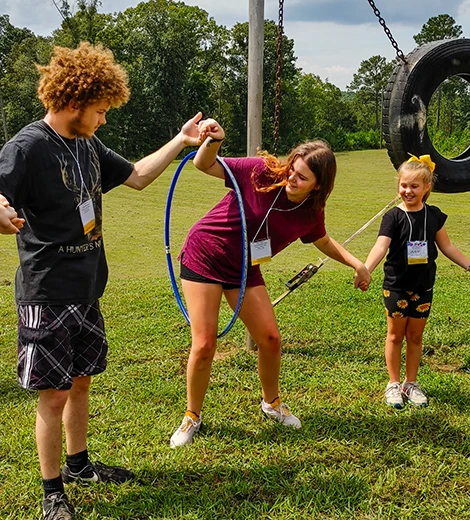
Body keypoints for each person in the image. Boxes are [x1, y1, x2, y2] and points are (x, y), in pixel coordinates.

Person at [0, 42, 206, 520]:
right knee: (52, 394)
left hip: (88, 287)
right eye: (100, 111)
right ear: (73, 103)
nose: (104, 120)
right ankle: (53, 492)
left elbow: (135, 176)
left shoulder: (87, 143)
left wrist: (181, 139)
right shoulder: (27, 147)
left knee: (80, 383)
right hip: (46, 292)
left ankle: (78, 465)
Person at [169, 118, 371, 448]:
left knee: (271, 338)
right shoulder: (260, 171)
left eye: (302, 177)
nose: (291, 177)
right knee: (205, 344)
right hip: (205, 253)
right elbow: (202, 164)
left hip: (245, 268)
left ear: (317, 186)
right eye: (292, 169)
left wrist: (356, 263)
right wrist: (214, 141)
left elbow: (321, 240)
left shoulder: (310, 210)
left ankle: (271, 403)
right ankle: (192, 415)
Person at [364, 155, 470, 410]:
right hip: (396, 286)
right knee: (394, 336)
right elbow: (381, 246)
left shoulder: (434, 216)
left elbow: (446, 246)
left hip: (424, 287)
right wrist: (365, 269)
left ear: (426, 188)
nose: (407, 191)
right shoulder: (393, 217)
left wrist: (467, 264)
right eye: (403, 185)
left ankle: (411, 383)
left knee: (415, 336)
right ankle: (393, 383)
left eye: (414, 186)